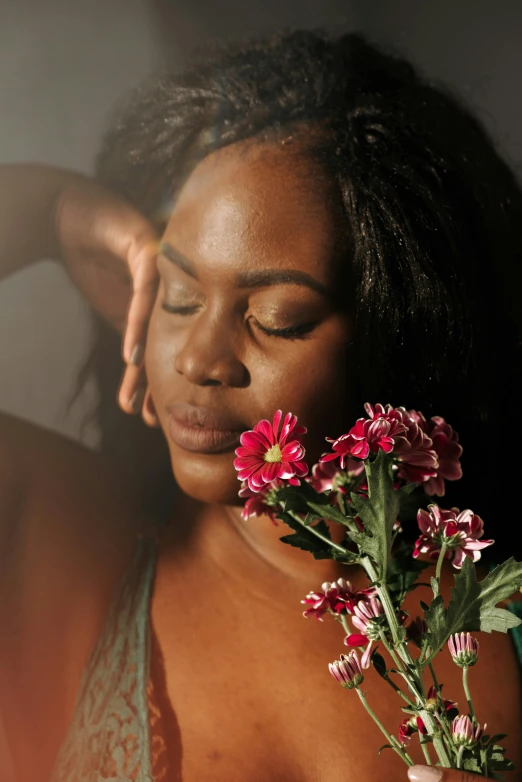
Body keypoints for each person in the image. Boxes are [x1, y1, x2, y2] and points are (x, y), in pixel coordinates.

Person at [0, 29, 520, 782]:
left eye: (275, 317)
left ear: (397, 334)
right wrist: (49, 212)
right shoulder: (60, 537)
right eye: (177, 298)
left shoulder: (488, 618)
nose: (197, 358)